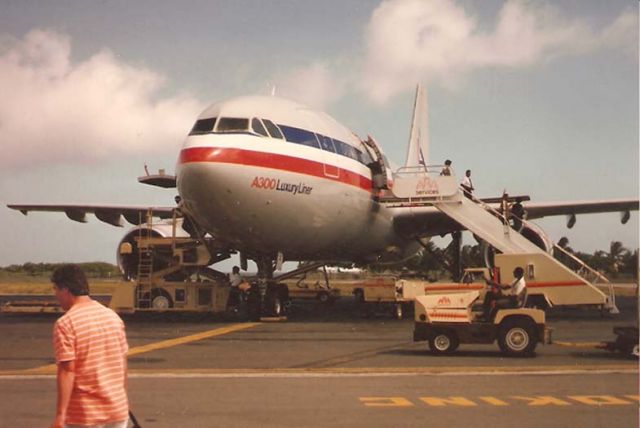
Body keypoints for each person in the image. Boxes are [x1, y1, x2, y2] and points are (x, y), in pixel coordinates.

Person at [50, 264, 129, 428]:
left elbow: (67, 370)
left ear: (66, 290)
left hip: (86, 414)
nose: (55, 294)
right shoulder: (112, 317)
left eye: (56, 289)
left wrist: (60, 415)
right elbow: (122, 364)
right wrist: (122, 400)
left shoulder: (66, 323)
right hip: (117, 410)